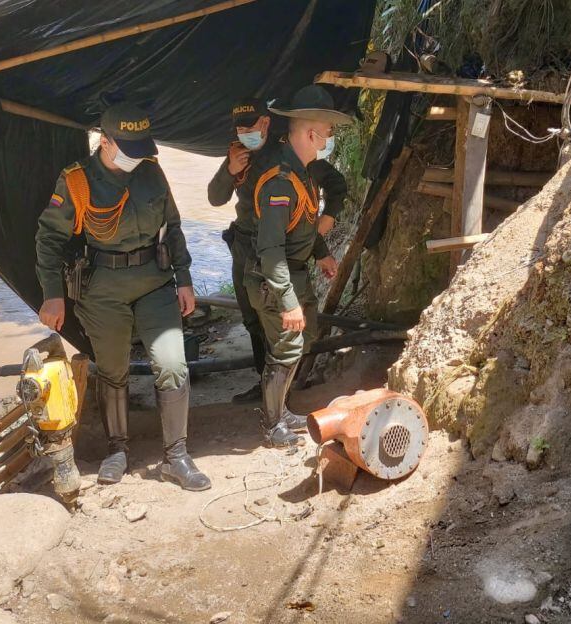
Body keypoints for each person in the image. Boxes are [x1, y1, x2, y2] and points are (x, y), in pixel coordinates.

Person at [35, 102, 210, 491]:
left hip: (154, 282)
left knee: (172, 364)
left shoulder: (151, 173)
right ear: (106, 143)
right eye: (129, 149)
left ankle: (176, 457)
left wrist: (184, 278)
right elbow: (48, 241)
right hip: (104, 290)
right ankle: (117, 450)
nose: (138, 157)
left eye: (141, 148)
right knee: (113, 370)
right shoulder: (77, 182)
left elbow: (173, 226)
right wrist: (53, 295)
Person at [207, 98, 346, 414]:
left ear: (266, 124)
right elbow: (215, 198)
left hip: (276, 248)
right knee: (252, 317)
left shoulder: (291, 155)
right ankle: (266, 385)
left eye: (251, 126)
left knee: (285, 323)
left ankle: (280, 395)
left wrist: (326, 222)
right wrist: (230, 170)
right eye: (240, 128)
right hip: (245, 248)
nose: (245, 133)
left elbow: (336, 184)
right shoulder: (238, 154)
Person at [246, 85, 352, 448]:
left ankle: (281, 410)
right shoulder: (280, 182)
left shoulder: (302, 173)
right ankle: (271, 423)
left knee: (300, 340)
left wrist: (321, 252)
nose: (328, 140)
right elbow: (271, 249)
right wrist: (287, 300)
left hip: (296, 271)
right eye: (327, 134)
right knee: (287, 346)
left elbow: (304, 224)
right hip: (275, 276)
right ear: (311, 134)